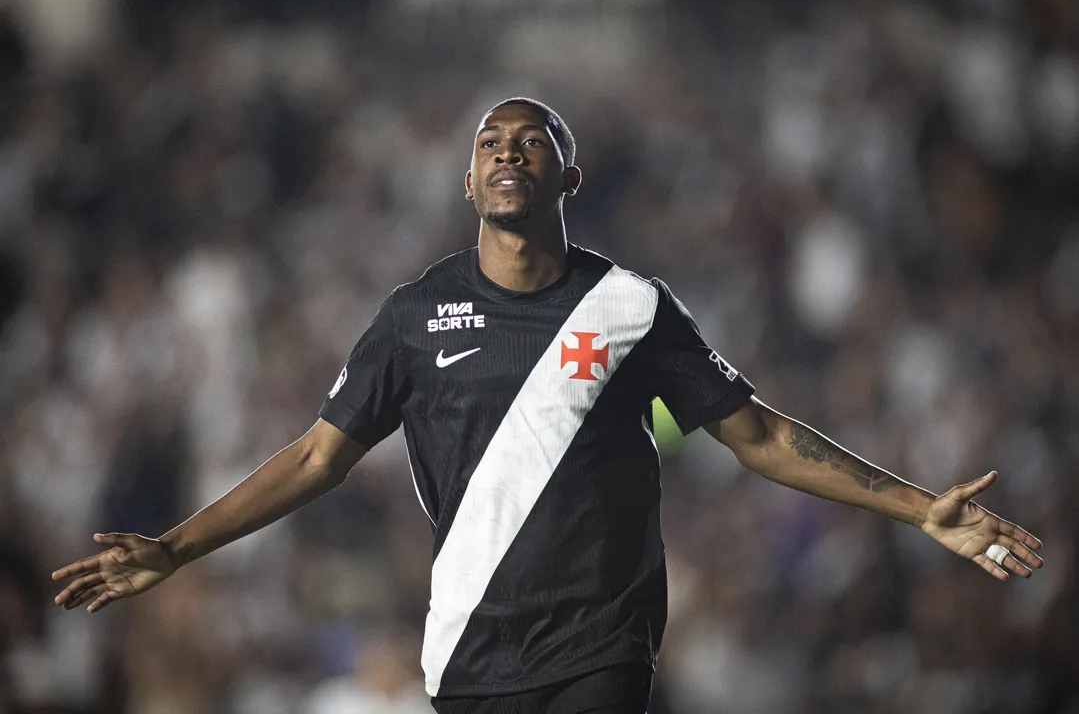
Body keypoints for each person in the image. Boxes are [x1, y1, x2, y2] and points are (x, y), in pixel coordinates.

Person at [52, 98, 1045, 714]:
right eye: (490, 140)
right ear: (468, 179)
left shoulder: (631, 308)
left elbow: (762, 437)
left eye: (532, 140)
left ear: (567, 174)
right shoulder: (413, 316)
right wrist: (174, 548)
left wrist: (920, 509)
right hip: (470, 651)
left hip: (600, 648)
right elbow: (317, 459)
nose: (509, 150)